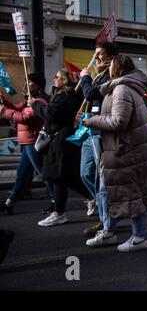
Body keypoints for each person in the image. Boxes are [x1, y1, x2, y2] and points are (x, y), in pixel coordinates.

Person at [83, 55, 147, 252]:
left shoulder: (122, 89)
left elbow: (118, 121)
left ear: (117, 68)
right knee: (111, 191)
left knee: (130, 193)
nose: (107, 68)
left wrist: (92, 120)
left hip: (126, 149)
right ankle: (109, 232)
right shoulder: (120, 87)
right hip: (119, 148)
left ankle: (139, 237)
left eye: (111, 65)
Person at [31, 69, 92, 227]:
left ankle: (59, 213)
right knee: (66, 177)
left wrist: (35, 104)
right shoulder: (66, 95)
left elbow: (50, 114)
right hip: (63, 139)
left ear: (64, 80)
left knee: (58, 176)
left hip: (61, 141)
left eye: (57, 77)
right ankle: (91, 198)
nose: (54, 78)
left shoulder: (65, 97)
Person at [79, 41, 119, 237]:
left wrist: (85, 78)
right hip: (89, 129)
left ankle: (107, 222)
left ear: (110, 57)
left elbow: (91, 93)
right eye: (95, 54)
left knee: (103, 181)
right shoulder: (98, 74)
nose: (96, 58)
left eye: (100, 54)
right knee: (86, 173)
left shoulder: (111, 75)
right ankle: (105, 216)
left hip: (101, 131)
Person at [0, 73, 54, 215]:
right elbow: (18, 109)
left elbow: (25, 117)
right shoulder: (29, 101)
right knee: (22, 174)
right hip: (27, 141)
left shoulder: (40, 101)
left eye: (29, 82)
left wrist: (6, 112)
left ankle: (56, 201)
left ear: (38, 85)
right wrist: (4, 102)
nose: (25, 85)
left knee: (44, 173)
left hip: (33, 142)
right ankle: (9, 202)